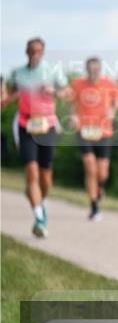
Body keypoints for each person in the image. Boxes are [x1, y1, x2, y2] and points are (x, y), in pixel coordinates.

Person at [2, 37, 71, 238]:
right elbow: (5, 101)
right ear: (26, 52)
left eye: (39, 51)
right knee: (31, 173)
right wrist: (7, 95)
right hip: (25, 126)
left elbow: (67, 94)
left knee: (46, 177)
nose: (35, 54)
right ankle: (39, 218)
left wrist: (55, 91)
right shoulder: (18, 73)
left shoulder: (53, 72)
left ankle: (40, 200)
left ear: (43, 53)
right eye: (32, 51)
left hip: (47, 125)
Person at [68, 57, 118, 221]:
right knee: (90, 168)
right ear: (86, 69)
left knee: (103, 172)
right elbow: (71, 102)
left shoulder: (109, 83)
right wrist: (72, 116)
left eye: (96, 70)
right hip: (84, 130)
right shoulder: (77, 84)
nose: (93, 73)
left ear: (100, 69)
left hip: (103, 131)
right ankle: (94, 207)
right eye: (90, 70)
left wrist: (113, 110)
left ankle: (100, 186)